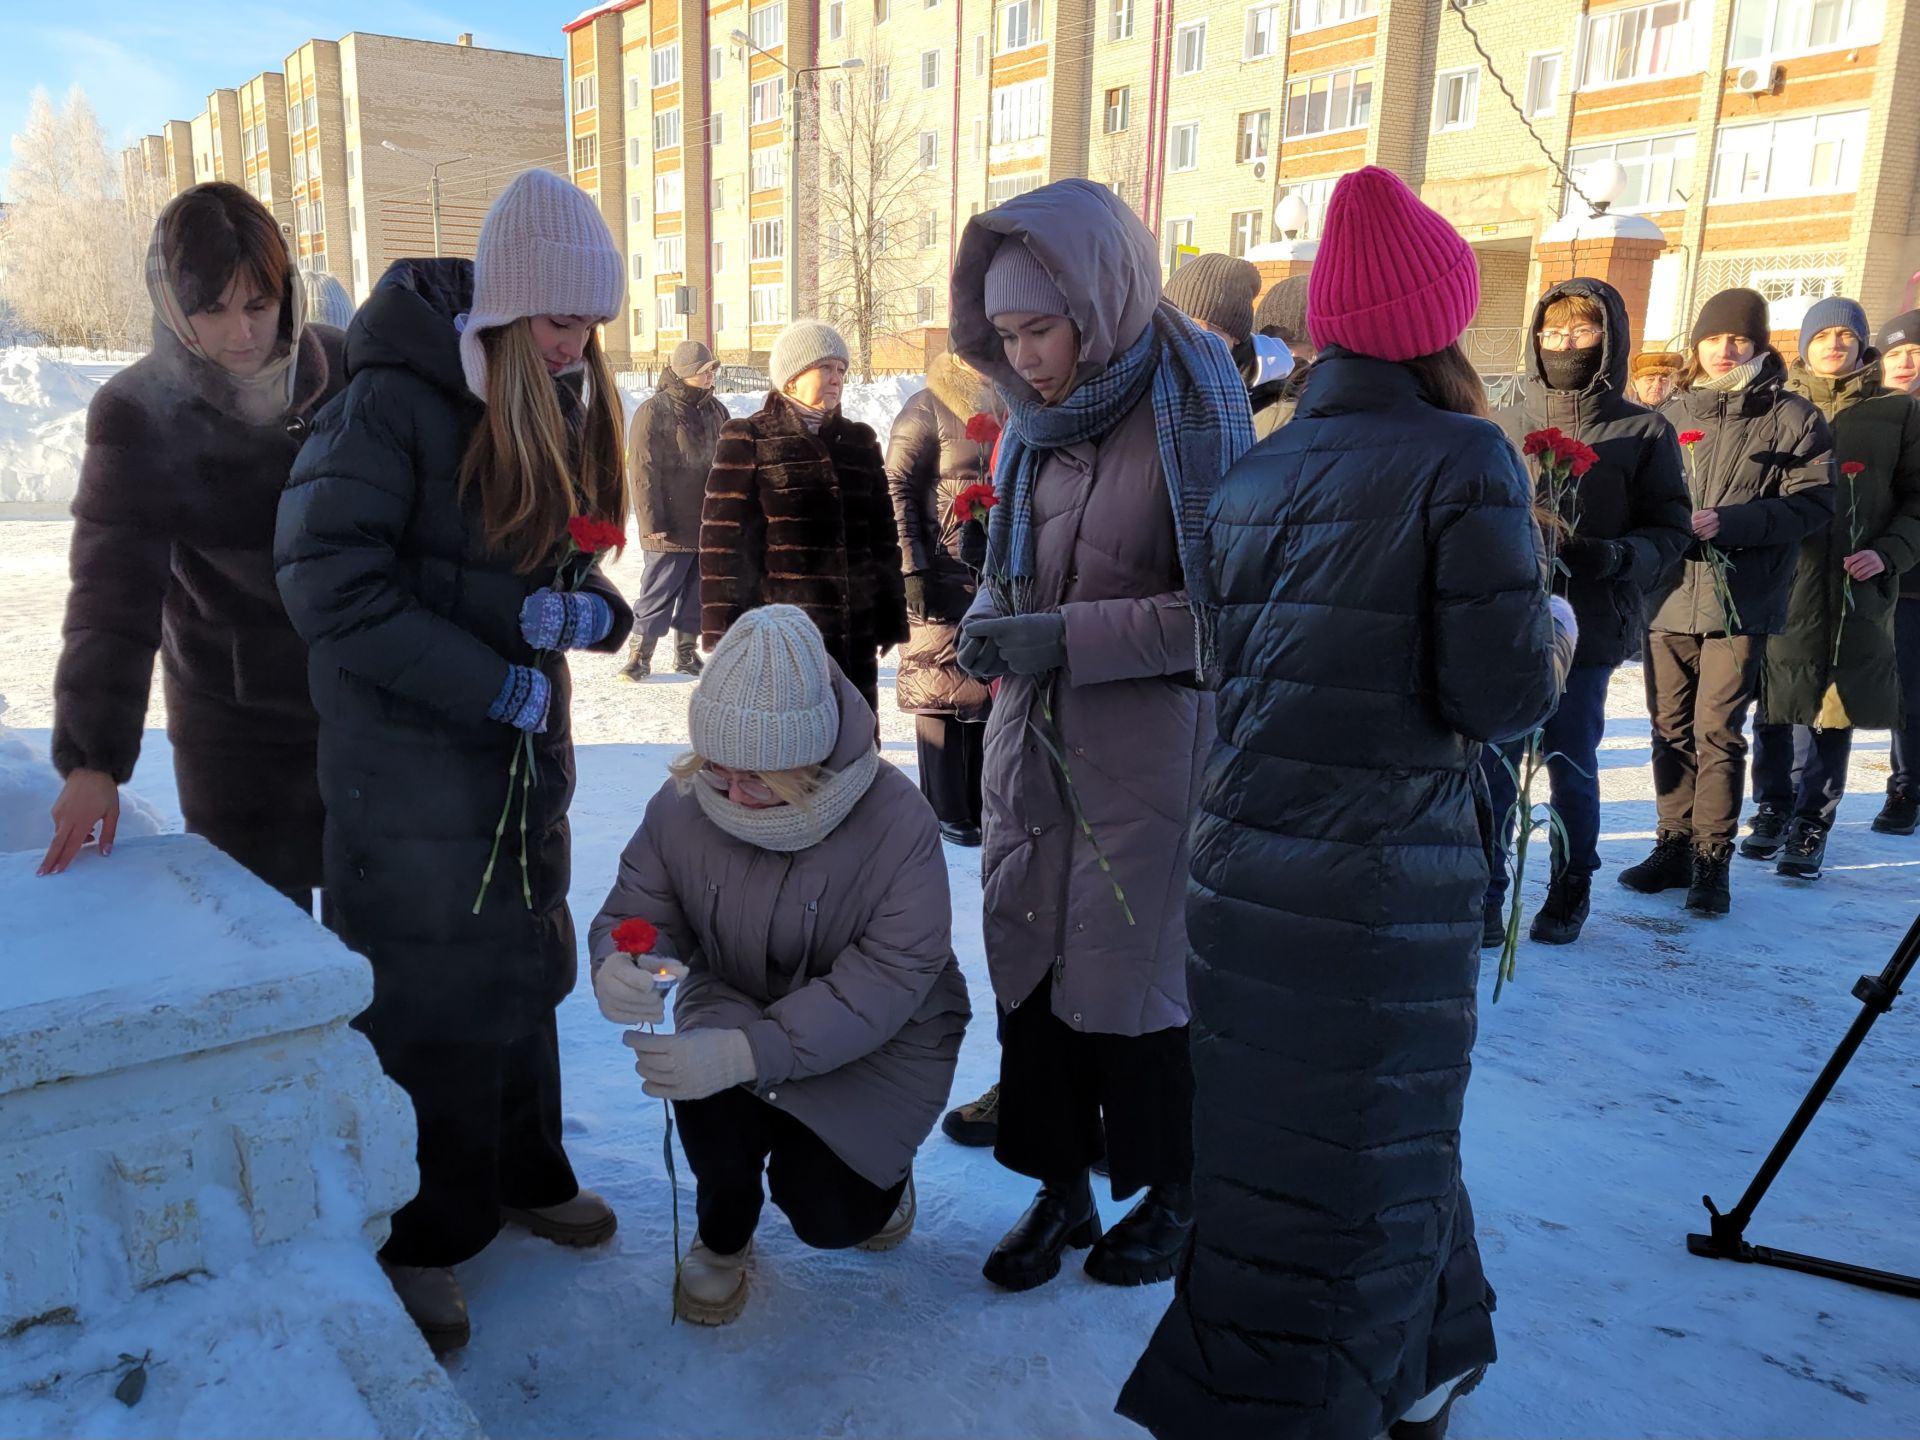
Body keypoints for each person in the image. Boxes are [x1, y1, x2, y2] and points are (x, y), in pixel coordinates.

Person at [1117, 165, 1570, 1440]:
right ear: (1439, 322)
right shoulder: (1465, 458)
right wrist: (1554, 629)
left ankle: (1425, 1358)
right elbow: (1496, 698)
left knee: (1297, 1149)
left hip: (1249, 878)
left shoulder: (1261, 470)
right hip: (1378, 887)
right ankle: (1297, 1411)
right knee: (1369, 1155)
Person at [274, 169, 634, 1353]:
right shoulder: (389, 405)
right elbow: (330, 582)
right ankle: (421, 1235)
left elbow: (563, 553)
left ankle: (529, 1170)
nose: (577, 341)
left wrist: (589, 613)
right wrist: (491, 680)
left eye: (592, 318)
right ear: (504, 309)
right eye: (556, 316)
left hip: (518, 765)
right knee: (430, 1001)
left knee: (522, 974)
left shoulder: (561, 395)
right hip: (409, 774)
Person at [948, 178, 1255, 1293]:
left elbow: (1224, 619)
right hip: (1036, 749)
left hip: (1151, 758)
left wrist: (1060, 638)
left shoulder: (1193, 403)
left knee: (1139, 993)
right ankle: (1059, 1187)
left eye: (1040, 329)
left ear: (1102, 297)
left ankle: (1176, 1192)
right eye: (1007, 334)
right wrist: (987, 629)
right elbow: (1006, 579)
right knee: (1034, 971)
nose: (1023, 358)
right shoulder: (1030, 430)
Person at [587, 604, 969, 1325]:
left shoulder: (897, 819)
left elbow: (889, 977)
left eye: (759, 779)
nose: (729, 794)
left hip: (876, 1037)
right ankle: (722, 1239)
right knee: (710, 1114)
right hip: (735, 992)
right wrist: (622, 961)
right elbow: (643, 908)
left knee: (832, 1215)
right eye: (717, 770)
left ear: (812, 762)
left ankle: (885, 1181)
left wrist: (748, 1051)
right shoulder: (683, 803)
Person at [44, 181, 344, 904]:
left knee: (375, 959)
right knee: (260, 954)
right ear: (175, 308)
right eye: (212, 310)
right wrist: (94, 760)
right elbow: (112, 595)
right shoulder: (138, 413)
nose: (241, 334)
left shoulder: (343, 371)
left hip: (355, 711)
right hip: (233, 731)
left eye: (258, 305)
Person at [1483, 278, 1691, 945]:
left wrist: (1618, 557)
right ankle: (1487, 889)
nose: (1564, 344)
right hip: (1507, 623)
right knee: (1491, 764)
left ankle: (1571, 883)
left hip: (1590, 623)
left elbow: (1671, 528)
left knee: (1570, 760)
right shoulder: (1502, 420)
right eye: (1552, 332)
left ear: (1610, 338)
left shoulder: (1643, 429)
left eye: (1580, 332)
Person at [1622, 287, 1834, 917]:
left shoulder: (1794, 417)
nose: (1723, 350)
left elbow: (1816, 503)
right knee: (1669, 728)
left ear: (1760, 343)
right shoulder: (1671, 413)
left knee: (1718, 732)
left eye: (1737, 339)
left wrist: (1734, 523)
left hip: (1741, 599)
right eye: (1712, 339)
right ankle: (1672, 845)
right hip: (1668, 594)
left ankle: (1712, 860)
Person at [1744, 298, 1920, 875]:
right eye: (1824, 336)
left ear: (1862, 343)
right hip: (1784, 576)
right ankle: (1772, 807)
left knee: (1833, 705)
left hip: (1855, 581)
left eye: (1847, 335)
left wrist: (1888, 552)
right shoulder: (1777, 407)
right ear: (1805, 345)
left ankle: (1812, 822)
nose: (1835, 345)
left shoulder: (1897, 412)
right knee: (1776, 696)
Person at [699, 321, 909, 713]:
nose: (836, 378)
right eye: (826, 368)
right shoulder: (749, 438)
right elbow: (723, 542)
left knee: (851, 747)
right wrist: (726, 630)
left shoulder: (859, 442)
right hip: (784, 635)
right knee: (791, 753)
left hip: (854, 633)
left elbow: (883, 537)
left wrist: (889, 612)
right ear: (793, 378)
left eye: (842, 370)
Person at [886, 350, 998, 845]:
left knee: (977, 685)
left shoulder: (1007, 400)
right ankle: (942, 807)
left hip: (986, 563)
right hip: (938, 566)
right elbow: (896, 487)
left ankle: (973, 804)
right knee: (937, 684)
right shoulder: (926, 406)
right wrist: (911, 564)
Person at [622, 338, 729, 681]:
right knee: (658, 590)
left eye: (713, 369)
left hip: (707, 521)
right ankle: (640, 655)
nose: (711, 376)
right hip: (668, 523)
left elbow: (731, 463)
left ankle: (686, 653)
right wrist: (651, 519)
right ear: (684, 373)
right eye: (704, 370)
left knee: (700, 591)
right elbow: (643, 469)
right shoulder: (654, 411)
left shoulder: (717, 411)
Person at [1165, 253, 1293, 436]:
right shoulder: (1159, 385)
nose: (1179, 339)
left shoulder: (1278, 414)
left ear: (1235, 336)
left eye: (1197, 329)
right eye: (1172, 325)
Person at [1876, 309, 1920, 836]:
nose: (1906, 362)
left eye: (1916, 352)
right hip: (1884, 575)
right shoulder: (1871, 415)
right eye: (1895, 353)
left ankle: (1908, 784)